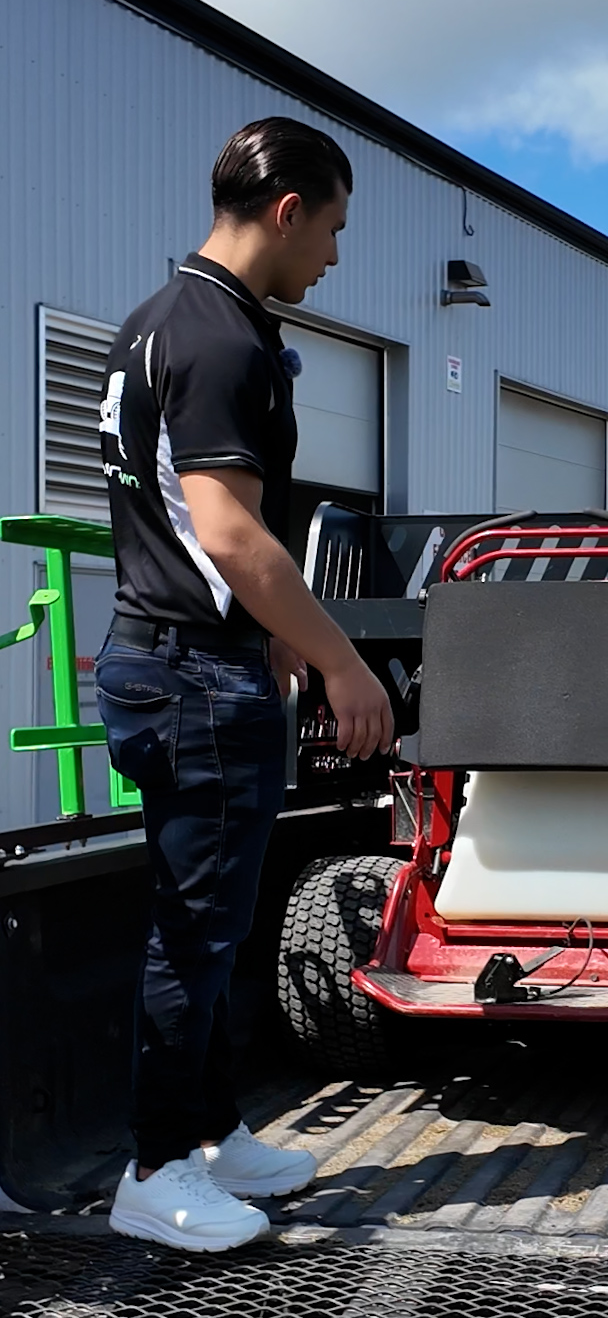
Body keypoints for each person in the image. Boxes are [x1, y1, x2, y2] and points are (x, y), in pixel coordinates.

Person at [95, 116, 393, 1252]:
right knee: (191, 933)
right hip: (189, 677)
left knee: (211, 928)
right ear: (287, 211)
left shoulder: (153, 324)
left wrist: (270, 637)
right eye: (333, 229)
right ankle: (158, 1169)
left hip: (169, 655)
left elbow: (174, 520)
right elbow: (225, 529)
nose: (333, 256)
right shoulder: (220, 339)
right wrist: (340, 657)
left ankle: (213, 1135)